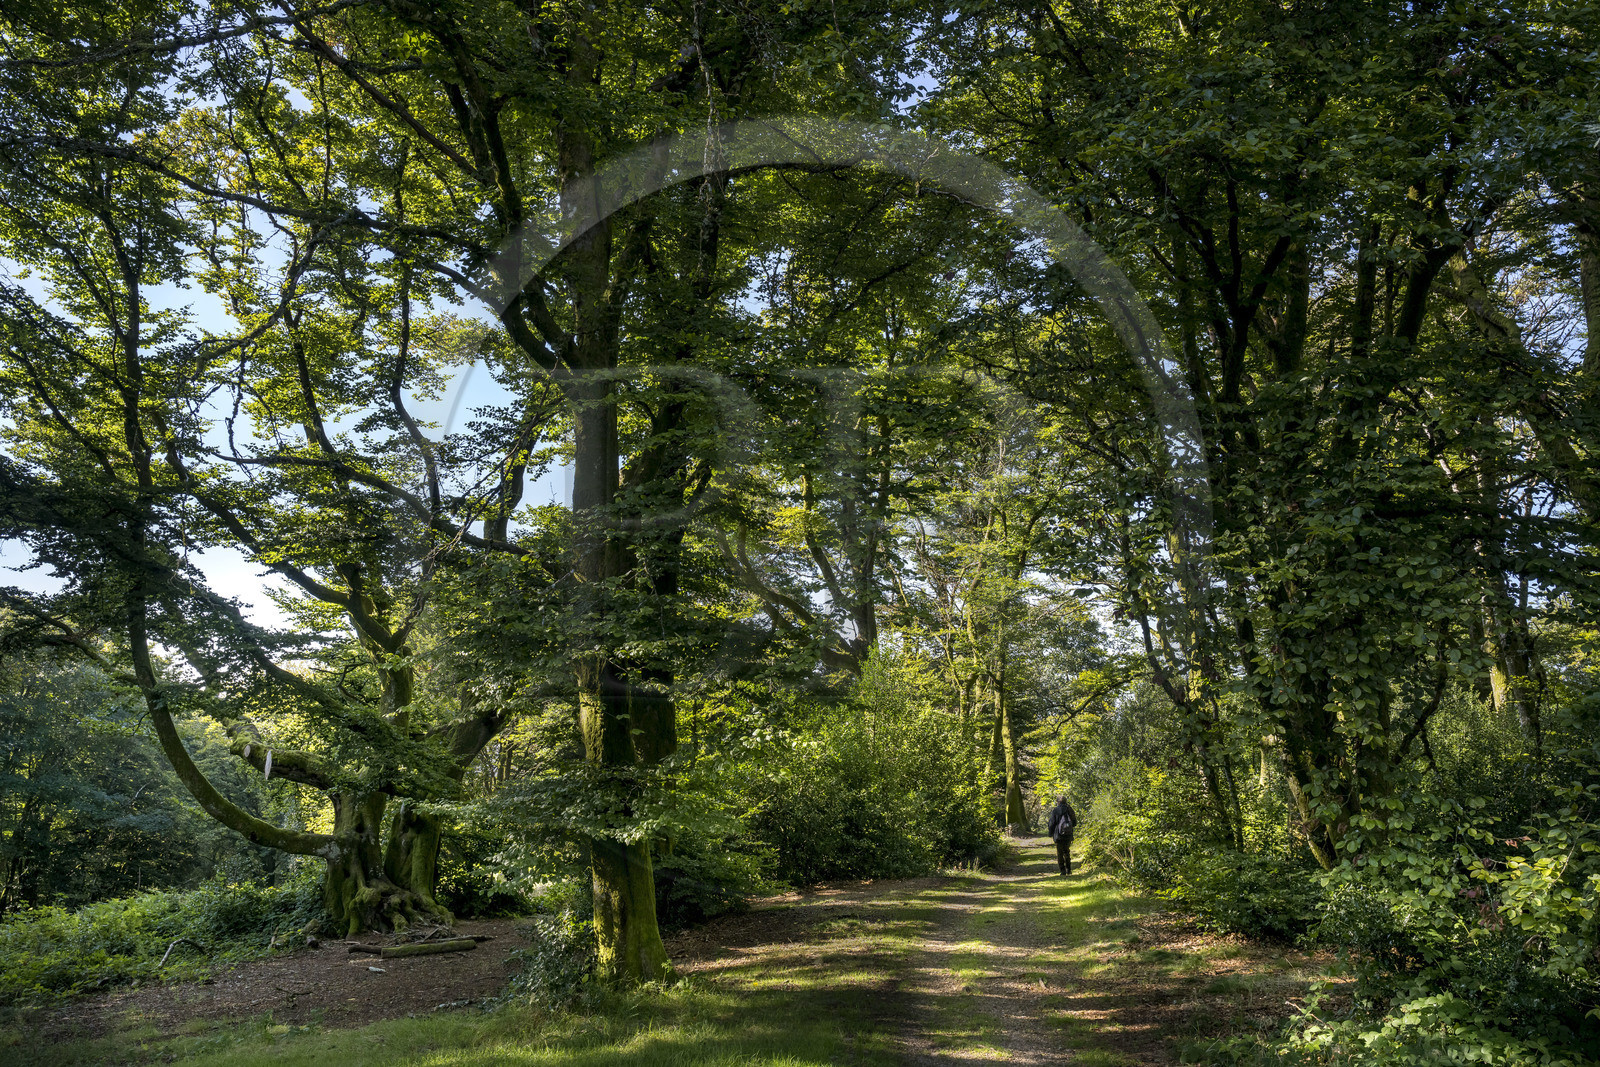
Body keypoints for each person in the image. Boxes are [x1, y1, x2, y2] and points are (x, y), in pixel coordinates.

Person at [1046, 796, 1077, 876]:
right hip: (1068, 834)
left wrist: (1050, 833)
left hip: (1058, 835)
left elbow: (1052, 823)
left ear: (1058, 802)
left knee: (1060, 853)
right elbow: (1074, 823)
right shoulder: (1070, 809)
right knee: (1066, 851)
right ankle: (1069, 869)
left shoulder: (1056, 810)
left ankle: (1062, 871)